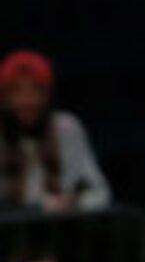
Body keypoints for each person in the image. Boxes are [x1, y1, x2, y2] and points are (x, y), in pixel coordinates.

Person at [0, 51, 112, 212]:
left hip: (61, 230)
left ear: (47, 95)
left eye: (35, 90)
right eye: (17, 91)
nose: (26, 100)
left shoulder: (66, 128)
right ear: (5, 98)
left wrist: (74, 202)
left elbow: (99, 192)